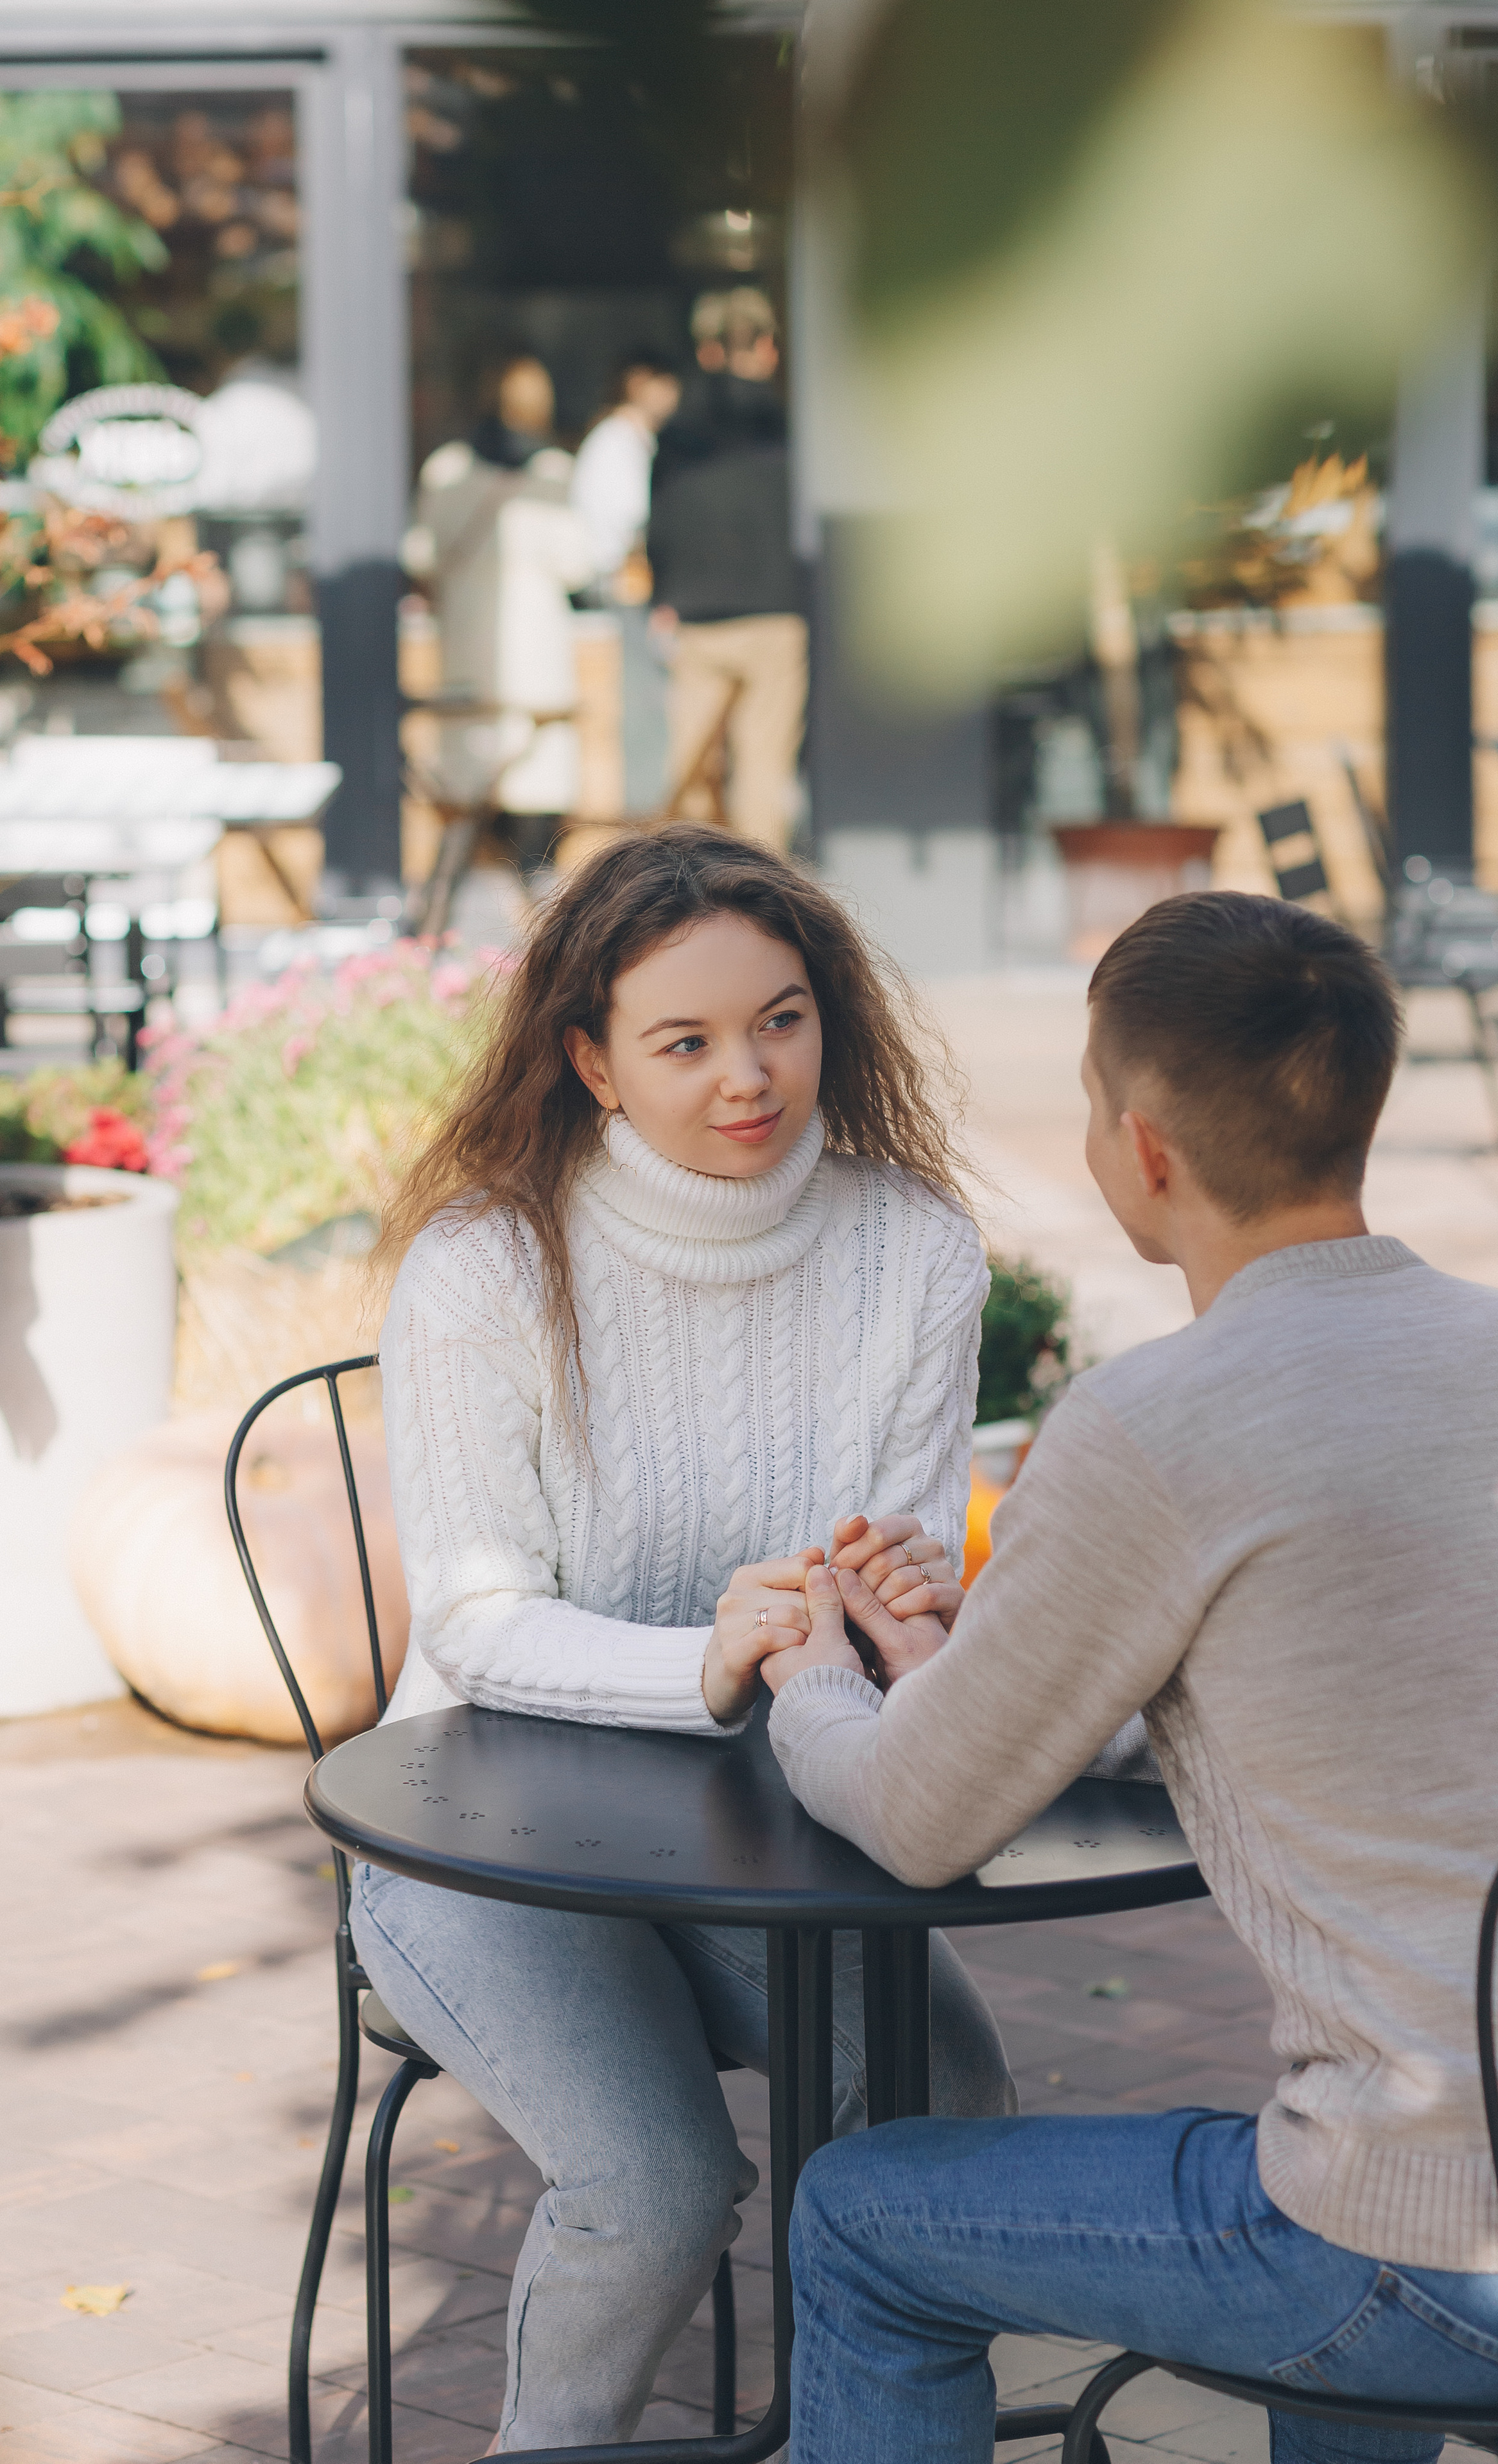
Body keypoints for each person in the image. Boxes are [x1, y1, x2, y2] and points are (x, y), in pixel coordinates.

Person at [758, 890, 1498, 2464]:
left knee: (855, 2215)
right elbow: (1331, 1679)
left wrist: (811, 1674)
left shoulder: (1152, 1421)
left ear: (1143, 1147)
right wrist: (967, 1670)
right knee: (1341, 2161)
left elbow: (914, 1821)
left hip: (1427, 2257)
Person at [354, 825, 1015, 2452]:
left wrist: (902, 1611)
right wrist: (703, 1664)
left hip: (767, 1824)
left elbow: (882, 1575)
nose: (749, 1075)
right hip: (479, 1835)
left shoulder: (911, 1247)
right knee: (651, 2183)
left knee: (948, 2104)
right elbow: (476, 1618)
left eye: (781, 1019)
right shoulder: (484, 1268)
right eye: (686, 1040)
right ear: (590, 1059)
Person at [409, 356, 596, 881]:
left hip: (469, 654)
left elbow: (423, 556)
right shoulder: (554, 471)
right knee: (537, 792)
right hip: (538, 655)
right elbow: (577, 563)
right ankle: (533, 900)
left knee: (470, 801)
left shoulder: (447, 470)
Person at [647, 287, 808, 853]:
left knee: (691, 764)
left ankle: (687, 884)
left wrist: (663, 595)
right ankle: (759, 887)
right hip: (775, 612)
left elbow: (659, 525)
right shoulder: (790, 427)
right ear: (768, 348)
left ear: (705, 351)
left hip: (697, 615)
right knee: (763, 767)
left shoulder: (677, 434)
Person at [570, 355, 683, 813]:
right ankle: (646, 814)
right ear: (638, 383)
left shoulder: (635, 440)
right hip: (622, 585)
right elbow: (633, 521)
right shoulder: (616, 441)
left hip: (632, 584)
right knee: (642, 701)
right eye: (665, 383)